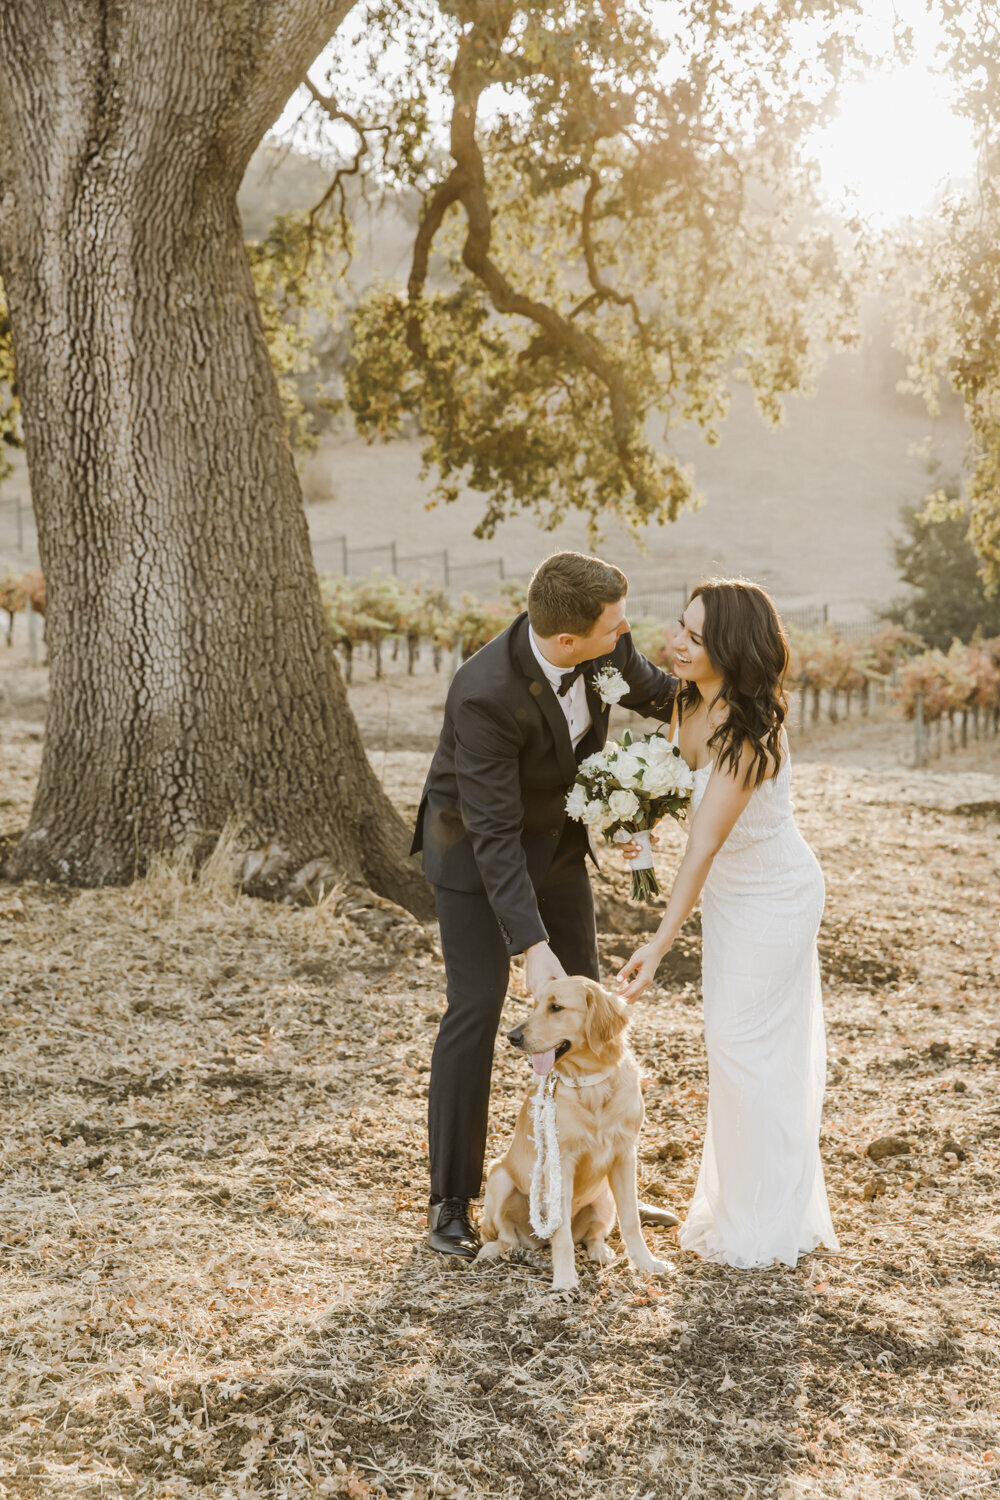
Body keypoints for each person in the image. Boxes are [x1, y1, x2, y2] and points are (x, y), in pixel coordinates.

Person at [413, 551, 678, 1257]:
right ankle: (452, 1198)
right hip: (476, 855)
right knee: (477, 1007)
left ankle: (593, 1185)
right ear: (569, 640)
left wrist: (736, 693)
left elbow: (666, 697)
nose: (628, 634)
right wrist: (529, 946)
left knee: (586, 1013)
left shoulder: (603, 651)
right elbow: (493, 835)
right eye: (616, 625)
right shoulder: (483, 693)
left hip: (555, 849)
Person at [618, 579, 840, 1269]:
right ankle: (745, 1202)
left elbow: (705, 846)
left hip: (776, 895)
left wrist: (657, 943)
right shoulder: (685, 697)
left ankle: (766, 1222)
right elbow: (670, 795)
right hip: (731, 899)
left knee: (744, 1048)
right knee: (735, 1052)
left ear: (730, 648)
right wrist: (631, 822)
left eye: (695, 636)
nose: (677, 644)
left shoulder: (749, 734)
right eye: (679, 627)